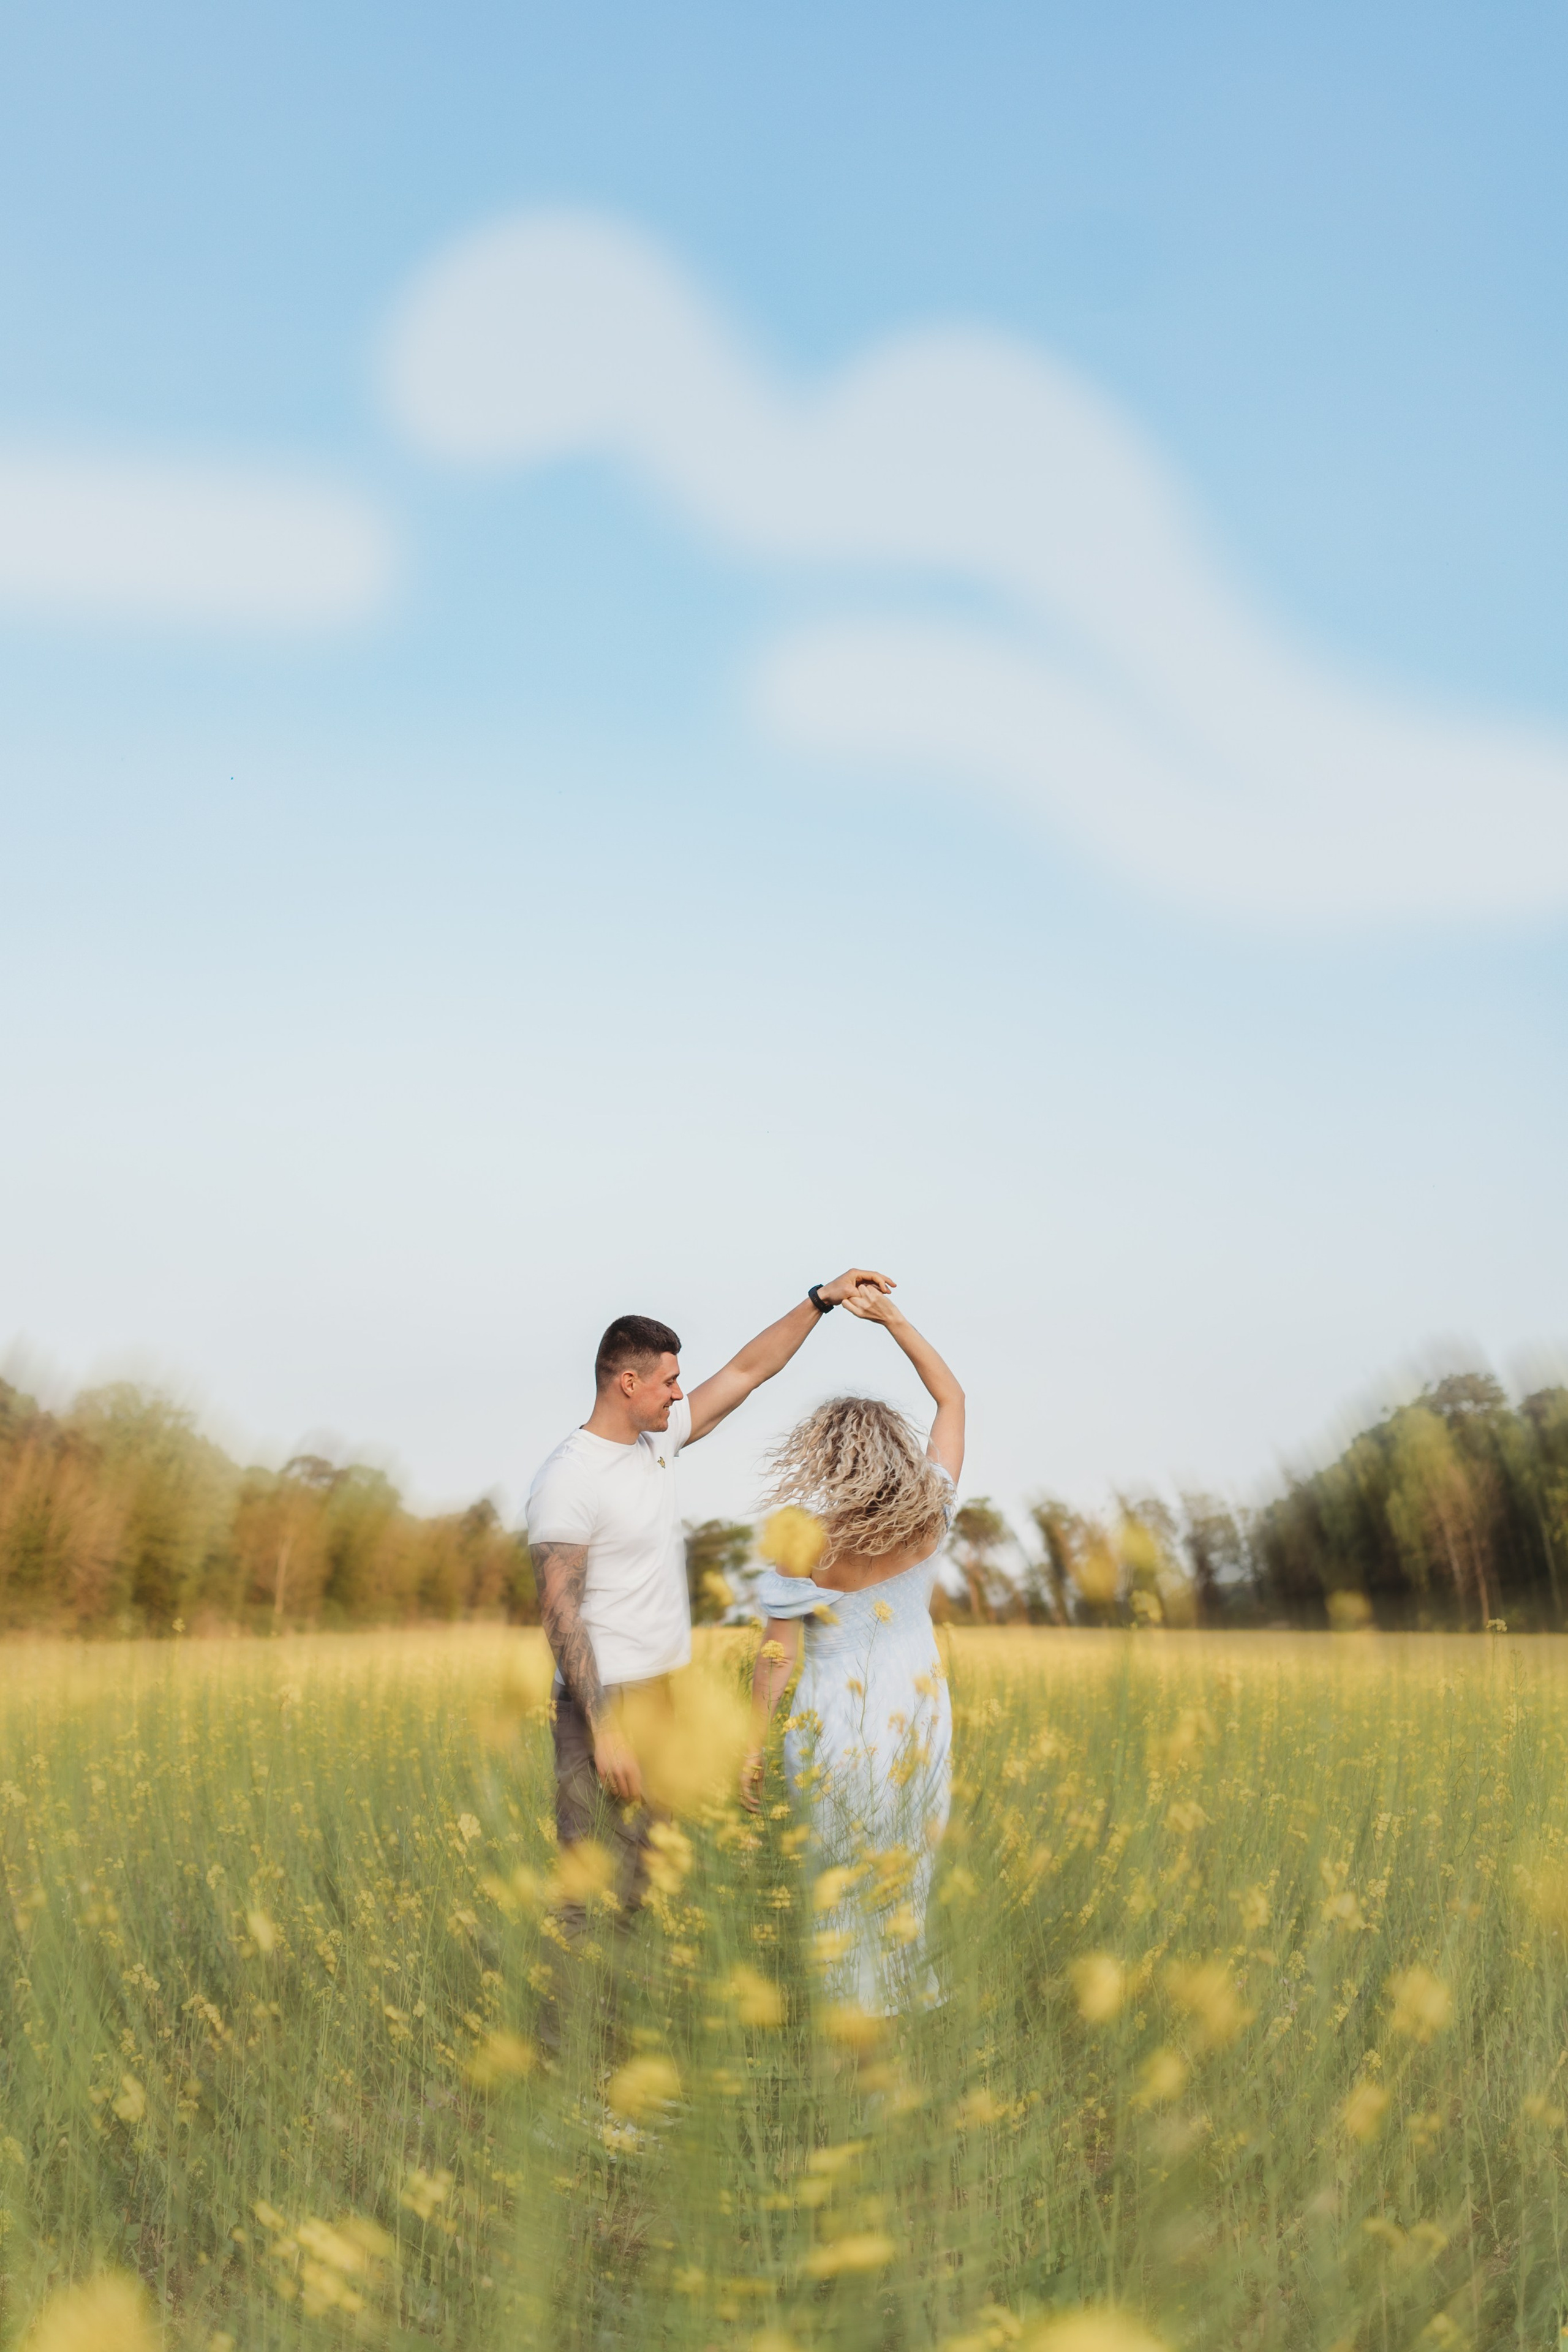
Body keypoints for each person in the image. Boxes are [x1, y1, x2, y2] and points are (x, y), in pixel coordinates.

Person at [526, 1272, 895, 1945]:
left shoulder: (655, 1444)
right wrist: (606, 1731)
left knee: (647, 1881)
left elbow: (751, 1369)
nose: (678, 1393)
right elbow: (560, 1613)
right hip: (601, 1704)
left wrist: (821, 1301)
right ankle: (566, 2048)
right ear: (626, 1383)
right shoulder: (568, 1477)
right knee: (585, 1888)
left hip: (661, 1696)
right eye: (668, 1381)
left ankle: (619, 2037)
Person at [742, 1286, 964, 2013]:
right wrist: (895, 1320)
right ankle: (896, 2017)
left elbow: (776, 1659)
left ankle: (845, 2022)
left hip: (831, 1719)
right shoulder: (930, 1513)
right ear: (894, 1449)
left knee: (835, 1876)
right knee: (906, 1871)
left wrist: (750, 1745)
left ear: (826, 1458)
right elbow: (952, 1400)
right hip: (916, 1711)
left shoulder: (801, 1541)